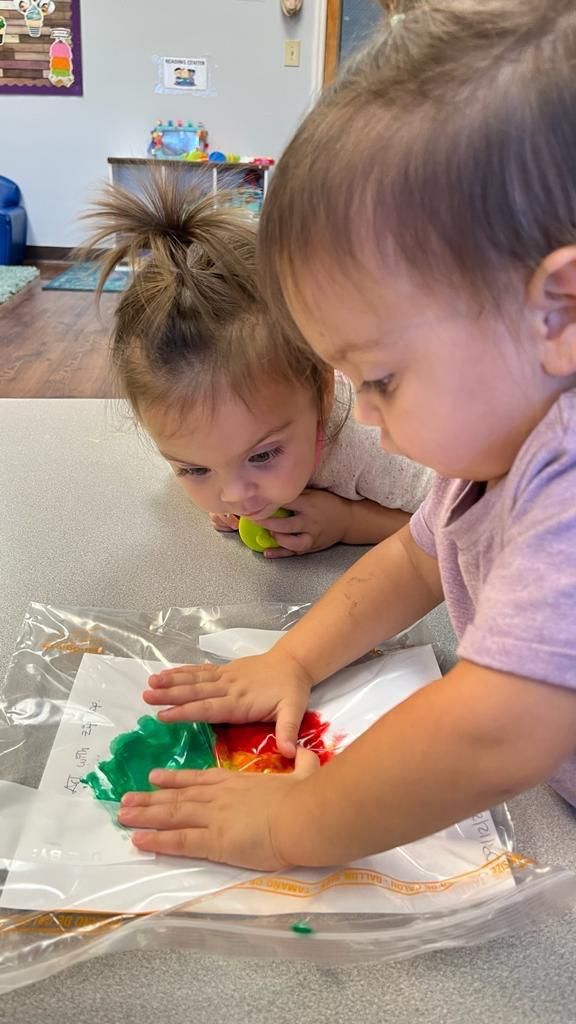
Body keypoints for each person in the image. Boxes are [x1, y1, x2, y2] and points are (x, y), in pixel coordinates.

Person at [118, 0, 576, 871]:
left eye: (382, 380)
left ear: (559, 311)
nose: (362, 416)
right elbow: (416, 560)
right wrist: (295, 658)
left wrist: (293, 823)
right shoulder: (494, 445)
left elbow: (495, 734)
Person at [82, 173, 431, 559]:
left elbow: (467, 522)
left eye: (262, 456)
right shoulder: (218, 438)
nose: (235, 496)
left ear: (324, 393)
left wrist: (350, 521)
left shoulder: (376, 445)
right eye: (195, 470)